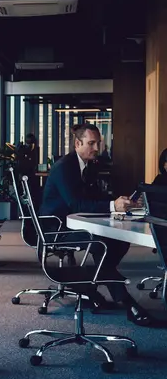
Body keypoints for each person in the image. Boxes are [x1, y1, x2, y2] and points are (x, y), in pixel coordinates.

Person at [40, 123, 152, 326]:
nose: (96, 148)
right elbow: (76, 204)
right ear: (77, 143)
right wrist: (112, 205)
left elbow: (93, 198)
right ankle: (127, 302)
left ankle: (89, 286)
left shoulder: (87, 165)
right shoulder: (65, 167)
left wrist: (120, 202)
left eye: (97, 143)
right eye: (91, 143)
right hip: (56, 229)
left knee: (119, 241)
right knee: (99, 242)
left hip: (75, 223)